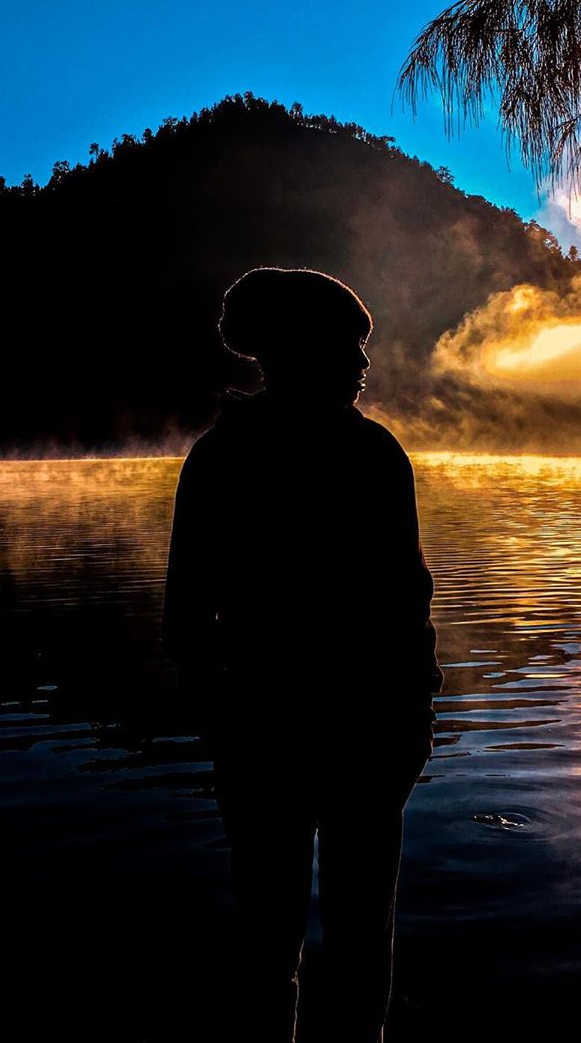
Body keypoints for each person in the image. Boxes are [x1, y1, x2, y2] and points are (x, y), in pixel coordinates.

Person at [163, 266, 442, 1043]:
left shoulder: (231, 456)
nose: (363, 365)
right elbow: (188, 617)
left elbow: (404, 602)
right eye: (350, 346)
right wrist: (412, 715)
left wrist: (413, 715)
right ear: (297, 350)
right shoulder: (359, 455)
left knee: (283, 947)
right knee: (334, 951)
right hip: (308, 738)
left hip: (309, 739)